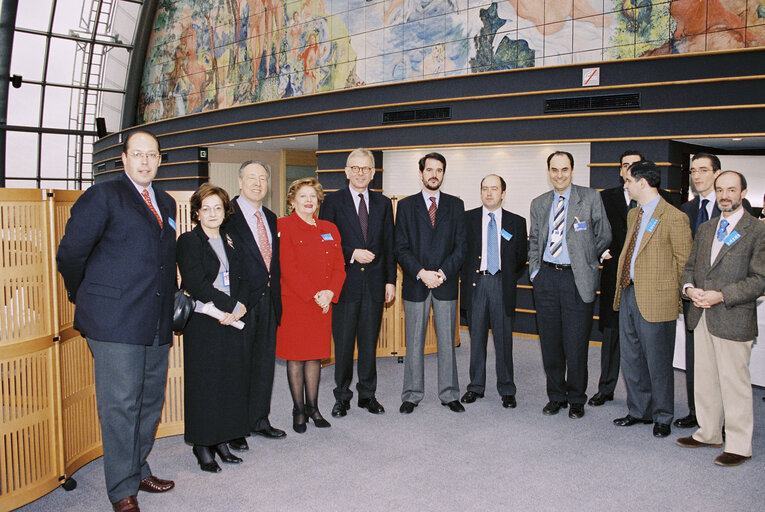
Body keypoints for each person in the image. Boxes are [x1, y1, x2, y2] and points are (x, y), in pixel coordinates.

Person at [56, 130, 176, 512]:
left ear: (159, 161)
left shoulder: (167, 202)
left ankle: (137, 467)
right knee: (120, 405)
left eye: (152, 155)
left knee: (148, 401)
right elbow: (71, 255)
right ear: (123, 158)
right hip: (115, 321)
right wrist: (87, 295)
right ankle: (122, 489)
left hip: (155, 321)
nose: (145, 161)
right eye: (137, 154)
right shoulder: (103, 196)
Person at [677, 171, 765, 466]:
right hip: (701, 312)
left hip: (732, 315)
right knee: (705, 380)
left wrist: (721, 295)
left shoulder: (757, 230)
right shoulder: (707, 228)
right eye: (720, 190)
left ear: (743, 193)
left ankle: (739, 445)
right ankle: (708, 432)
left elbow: (760, 279)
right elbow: (689, 267)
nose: (725, 195)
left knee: (734, 383)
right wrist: (690, 289)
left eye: (731, 190)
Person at [528, 151, 611, 419]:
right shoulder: (539, 203)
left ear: (572, 170)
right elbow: (534, 240)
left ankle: (576, 398)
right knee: (550, 342)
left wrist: (586, 260)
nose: (559, 174)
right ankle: (556, 396)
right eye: (554, 170)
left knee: (576, 343)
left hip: (577, 279)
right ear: (548, 171)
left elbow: (604, 234)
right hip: (547, 278)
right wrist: (535, 272)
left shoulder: (589, 198)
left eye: (564, 169)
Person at [612, 160, 692, 438]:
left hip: (658, 301)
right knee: (631, 358)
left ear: (643, 183)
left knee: (658, 362)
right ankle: (638, 410)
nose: (626, 185)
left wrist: (679, 303)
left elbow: (684, 264)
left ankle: (663, 415)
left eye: (629, 181)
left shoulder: (674, 216)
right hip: (629, 292)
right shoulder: (633, 214)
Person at [176, 184, 249, 473]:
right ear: (196, 212)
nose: (212, 213)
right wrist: (230, 304)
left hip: (232, 318)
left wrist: (241, 304)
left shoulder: (231, 239)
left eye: (218, 207)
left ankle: (221, 441)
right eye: (206, 208)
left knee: (228, 381)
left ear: (225, 211)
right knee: (204, 384)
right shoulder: (188, 241)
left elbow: (243, 275)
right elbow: (194, 283)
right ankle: (202, 445)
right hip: (205, 320)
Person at [319, 148, 396, 418]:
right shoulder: (333, 202)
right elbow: (326, 243)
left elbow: (389, 244)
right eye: (355, 168)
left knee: (368, 342)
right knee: (343, 344)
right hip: (344, 284)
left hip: (375, 284)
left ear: (373, 173)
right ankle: (342, 396)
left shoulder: (384, 204)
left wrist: (390, 281)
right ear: (346, 171)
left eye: (366, 169)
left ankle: (367, 395)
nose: (360, 173)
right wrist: (351, 252)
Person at [395, 152, 467, 414]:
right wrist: (421, 272)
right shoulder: (405, 206)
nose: (434, 174)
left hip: (446, 284)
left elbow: (461, 247)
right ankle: (412, 394)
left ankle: (449, 394)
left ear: (443, 174)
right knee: (413, 342)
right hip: (416, 283)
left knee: (447, 342)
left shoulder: (455, 205)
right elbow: (400, 248)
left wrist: (442, 273)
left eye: (439, 170)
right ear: (421, 173)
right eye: (429, 170)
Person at [277, 178, 346, 432]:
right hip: (297, 302)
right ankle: (298, 410)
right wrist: (315, 294)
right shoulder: (283, 226)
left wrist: (330, 293)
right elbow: (288, 267)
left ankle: (313, 407)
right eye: (303, 196)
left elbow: (339, 265)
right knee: (296, 358)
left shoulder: (329, 228)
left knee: (315, 356)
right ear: (292, 200)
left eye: (313, 197)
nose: (308, 201)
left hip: (323, 303)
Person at [226, 161, 285, 450]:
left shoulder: (273, 218)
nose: (258, 183)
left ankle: (259, 419)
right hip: (239, 304)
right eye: (252, 178)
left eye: (263, 178)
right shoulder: (226, 216)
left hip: (269, 302)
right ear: (240, 182)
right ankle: (235, 425)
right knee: (238, 365)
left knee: (264, 364)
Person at [460, 174, 528, 408]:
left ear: (503, 193)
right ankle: (475, 386)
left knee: (503, 341)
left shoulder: (517, 222)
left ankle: (507, 389)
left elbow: (521, 258)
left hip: (501, 285)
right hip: (476, 285)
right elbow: (461, 252)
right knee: (476, 339)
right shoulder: (467, 219)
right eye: (485, 189)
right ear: (480, 192)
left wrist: (506, 276)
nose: (489, 193)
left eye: (494, 189)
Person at [591, 150, 643, 407]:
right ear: (620, 171)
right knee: (611, 337)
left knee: (642, 341)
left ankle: (643, 396)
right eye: (625, 165)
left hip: (644, 280)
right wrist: (601, 251)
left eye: (635, 165)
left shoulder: (657, 199)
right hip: (613, 278)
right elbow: (592, 230)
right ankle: (605, 389)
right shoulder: (604, 198)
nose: (630, 169)